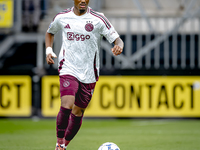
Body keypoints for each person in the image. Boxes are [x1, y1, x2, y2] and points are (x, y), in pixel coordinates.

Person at [45, 0, 124, 150]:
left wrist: (118, 46)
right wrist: (49, 50)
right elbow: (50, 32)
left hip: (89, 72)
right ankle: (59, 143)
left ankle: (64, 145)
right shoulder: (62, 17)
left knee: (78, 111)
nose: (83, 0)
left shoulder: (98, 19)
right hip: (68, 67)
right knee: (67, 104)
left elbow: (117, 39)